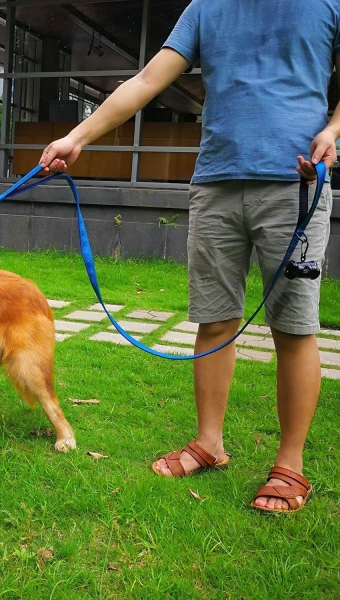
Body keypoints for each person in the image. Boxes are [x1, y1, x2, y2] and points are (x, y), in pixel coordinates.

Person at [39, 0, 340, 513]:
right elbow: (147, 81)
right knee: (214, 319)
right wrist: (76, 136)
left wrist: (334, 131)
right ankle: (209, 443)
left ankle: (289, 466)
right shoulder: (206, 8)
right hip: (215, 185)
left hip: (296, 183)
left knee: (293, 327)